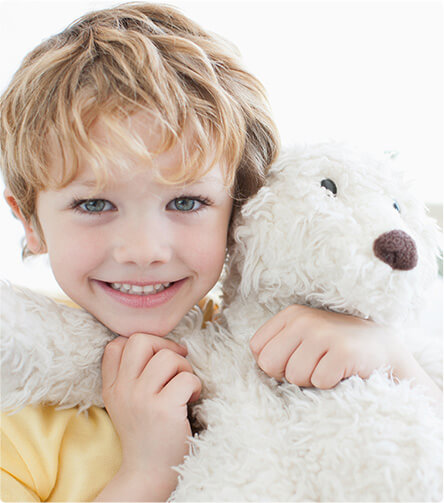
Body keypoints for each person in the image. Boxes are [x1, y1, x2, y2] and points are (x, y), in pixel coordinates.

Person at [0, 3, 440, 501]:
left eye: (186, 202)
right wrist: (148, 469)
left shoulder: (277, 332)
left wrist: (389, 359)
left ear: (241, 211)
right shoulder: (16, 402)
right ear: (30, 222)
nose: (144, 250)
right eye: (94, 203)